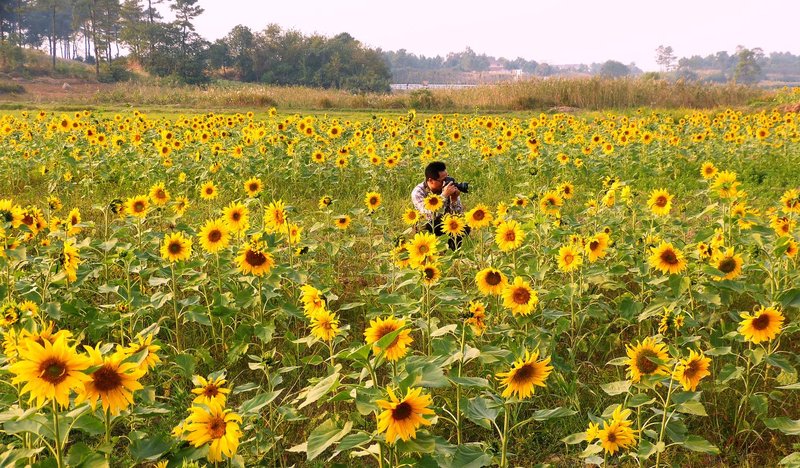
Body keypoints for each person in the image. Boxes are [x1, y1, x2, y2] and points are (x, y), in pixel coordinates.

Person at [411, 161, 470, 250]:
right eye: (442, 180)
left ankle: (454, 250)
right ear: (430, 180)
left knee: (462, 226)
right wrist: (444, 196)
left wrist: (454, 200)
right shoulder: (418, 192)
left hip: (447, 222)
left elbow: (458, 215)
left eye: (447, 177)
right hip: (428, 224)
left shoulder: (448, 187)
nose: (446, 182)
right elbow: (429, 214)